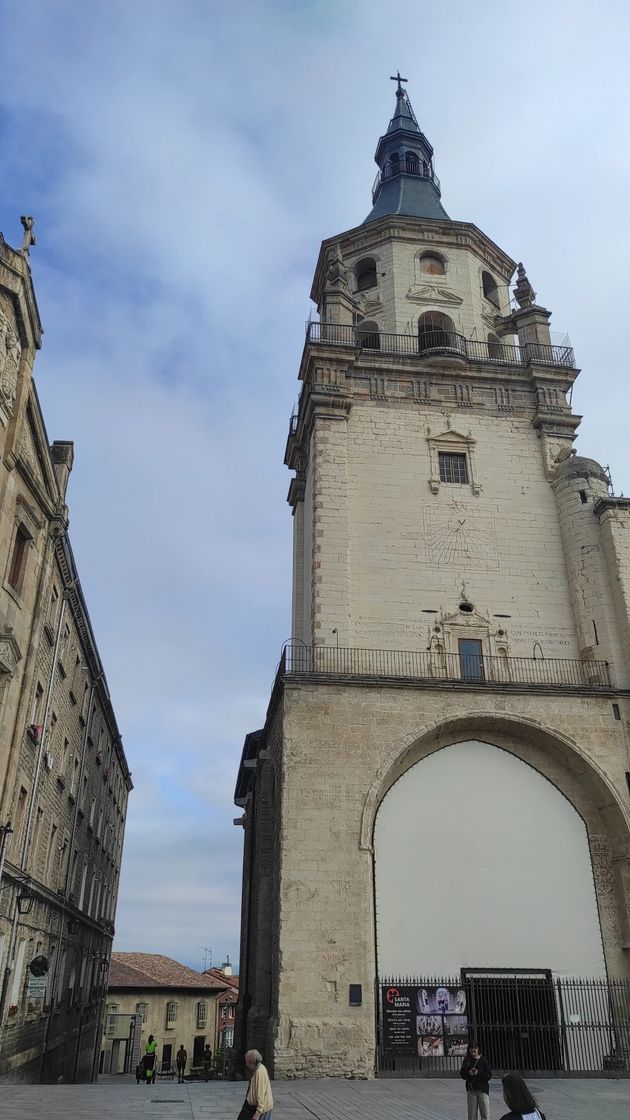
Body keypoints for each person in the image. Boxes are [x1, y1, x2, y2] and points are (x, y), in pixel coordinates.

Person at [460, 1042, 492, 1120]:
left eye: (475, 1051)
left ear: (478, 1049)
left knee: (485, 1113)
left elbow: (489, 1075)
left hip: (482, 1089)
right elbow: (462, 1074)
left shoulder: (483, 1060)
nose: (473, 1053)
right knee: (472, 1114)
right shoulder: (467, 1060)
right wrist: (469, 1073)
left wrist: (479, 1072)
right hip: (471, 1089)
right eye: (471, 1052)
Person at [241, 1049, 273, 1120]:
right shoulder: (258, 1068)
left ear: (253, 1062)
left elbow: (261, 1093)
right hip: (252, 1107)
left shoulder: (259, 1071)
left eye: (248, 1062)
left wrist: (258, 1113)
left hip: (262, 1110)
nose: (246, 1064)